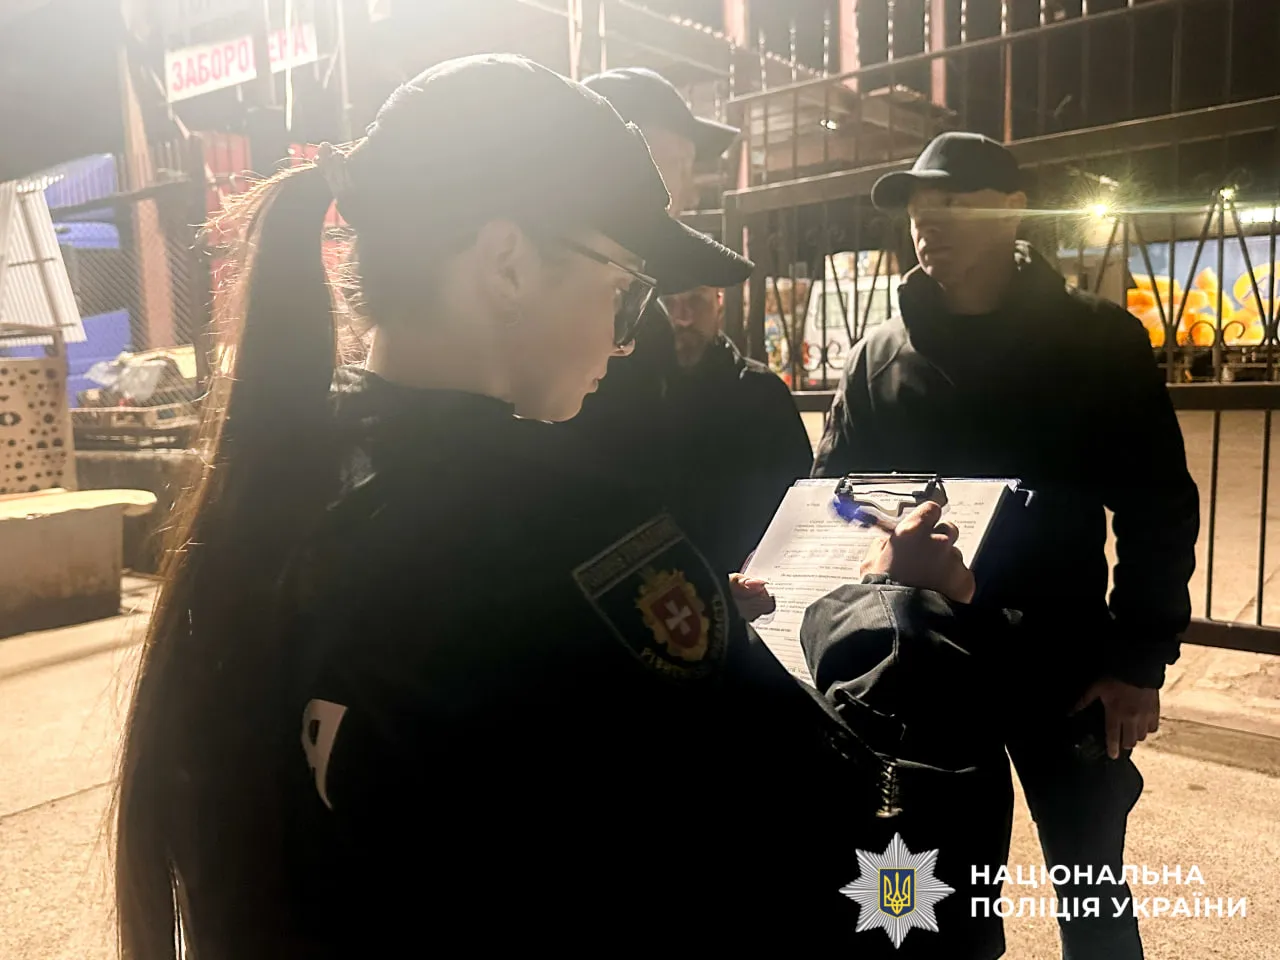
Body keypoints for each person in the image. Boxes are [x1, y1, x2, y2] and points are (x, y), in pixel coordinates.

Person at [112, 55, 1001, 959]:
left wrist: (676, 656)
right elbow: (869, 885)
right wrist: (898, 620)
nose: (624, 339)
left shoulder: (289, 485)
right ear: (507, 264)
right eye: (622, 290)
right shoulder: (568, 544)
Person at [813, 131, 1201, 959]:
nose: (929, 221)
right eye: (918, 206)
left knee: (1093, 894)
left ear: (1016, 210)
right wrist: (874, 543)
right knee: (917, 899)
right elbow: (831, 501)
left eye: (953, 201)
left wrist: (1139, 662)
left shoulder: (1095, 341)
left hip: (1066, 662)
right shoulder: (879, 357)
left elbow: (1159, 507)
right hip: (919, 666)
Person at [567, 67, 814, 579]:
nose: (690, 192)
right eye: (680, 163)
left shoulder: (738, 383)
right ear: (626, 147)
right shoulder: (574, 333)